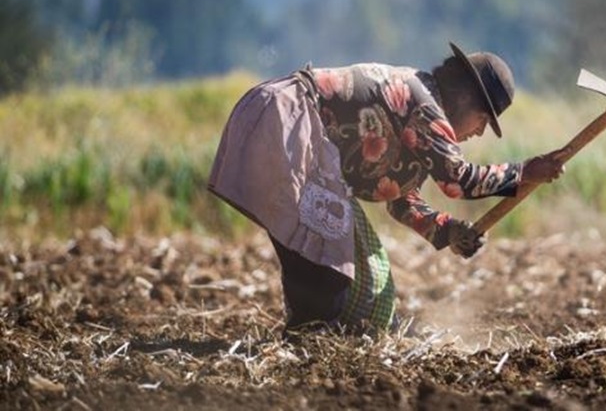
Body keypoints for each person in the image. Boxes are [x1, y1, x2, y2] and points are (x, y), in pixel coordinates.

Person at [208, 42, 565, 334]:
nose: (480, 131)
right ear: (463, 97)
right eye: (484, 119)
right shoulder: (424, 105)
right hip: (286, 123)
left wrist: (449, 230)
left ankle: (317, 338)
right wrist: (526, 171)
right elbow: (459, 182)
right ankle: (307, 344)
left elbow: (401, 200)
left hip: (281, 124)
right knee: (325, 264)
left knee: (345, 271)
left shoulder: (419, 110)